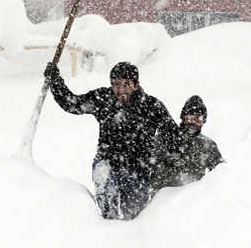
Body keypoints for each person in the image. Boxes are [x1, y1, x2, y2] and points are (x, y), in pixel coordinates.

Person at [44, 61, 182, 220]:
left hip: (138, 169)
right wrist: (56, 82)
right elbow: (73, 104)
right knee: (109, 208)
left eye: (127, 84)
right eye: (116, 84)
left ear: (136, 84)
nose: (121, 90)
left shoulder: (151, 106)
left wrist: (176, 152)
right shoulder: (103, 98)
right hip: (107, 161)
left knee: (134, 219)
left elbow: (171, 132)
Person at [151, 95, 224, 193]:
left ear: (203, 121)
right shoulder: (162, 140)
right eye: (190, 114)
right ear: (183, 116)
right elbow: (141, 167)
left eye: (198, 116)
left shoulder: (208, 145)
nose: (193, 120)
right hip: (161, 203)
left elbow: (222, 172)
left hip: (189, 203)